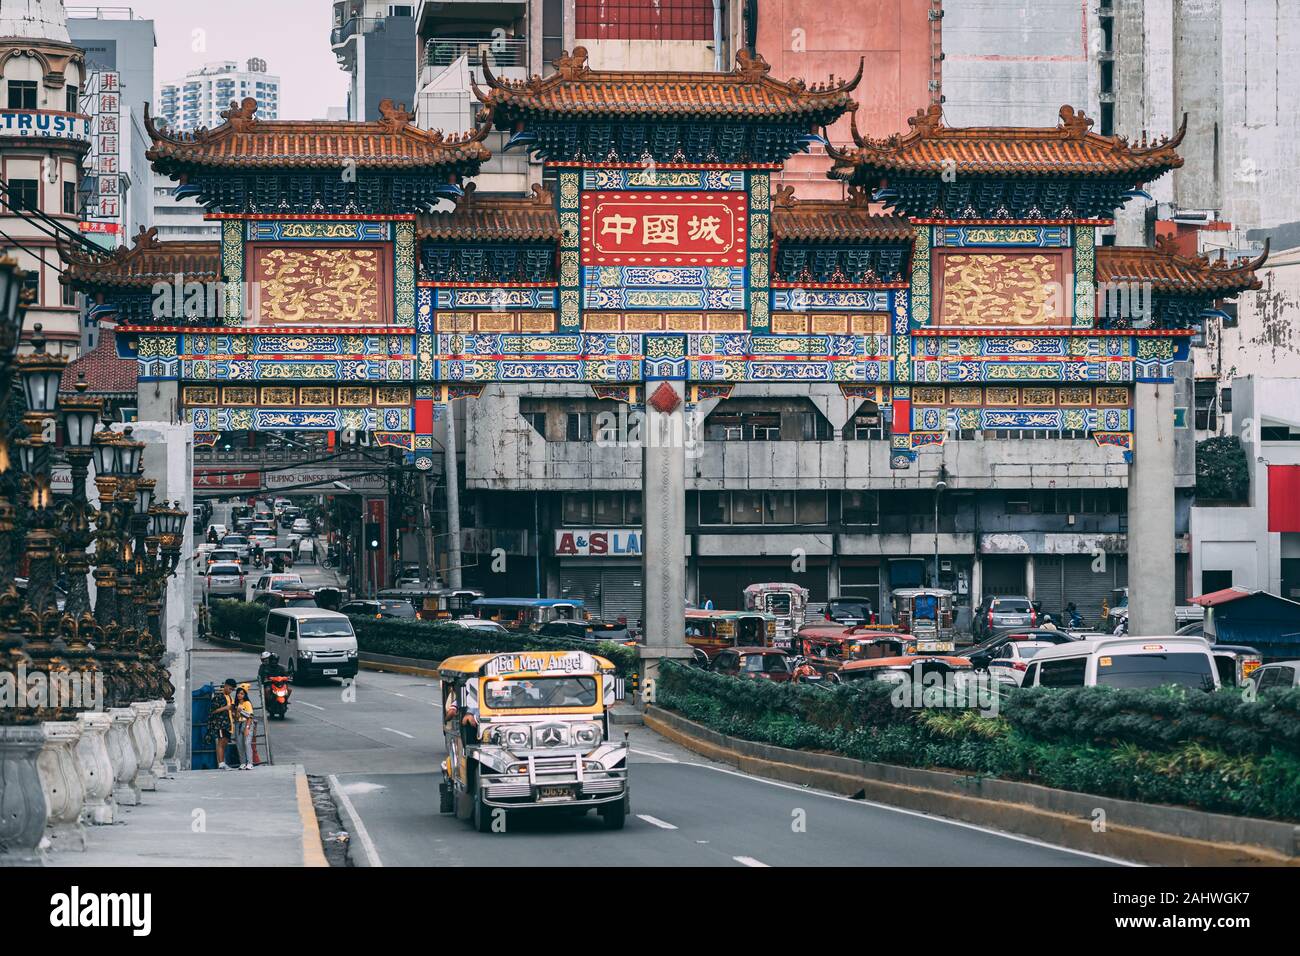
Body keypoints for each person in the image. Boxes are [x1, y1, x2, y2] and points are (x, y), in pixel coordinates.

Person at [208, 679, 237, 769]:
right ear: (225, 686)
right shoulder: (218, 696)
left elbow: (230, 710)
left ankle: (223, 762)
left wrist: (233, 712)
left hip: (228, 724)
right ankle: (221, 763)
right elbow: (212, 711)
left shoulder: (230, 698)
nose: (230, 691)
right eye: (229, 688)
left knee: (224, 743)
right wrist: (225, 708)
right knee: (221, 742)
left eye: (232, 690)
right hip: (221, 723)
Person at [233, 685, 256, 770]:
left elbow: (250, 717)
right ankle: (242, 763)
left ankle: (250, 763)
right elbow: (235, 718)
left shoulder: (247, 703)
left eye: (242, 694)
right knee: (239, 744)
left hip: (247, 723)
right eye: (238, 693)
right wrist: (237, 713)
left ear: (245, 695)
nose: (240, 695)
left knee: (247, 743)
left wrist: (247, 727)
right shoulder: (236, 704)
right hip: (238, 724)